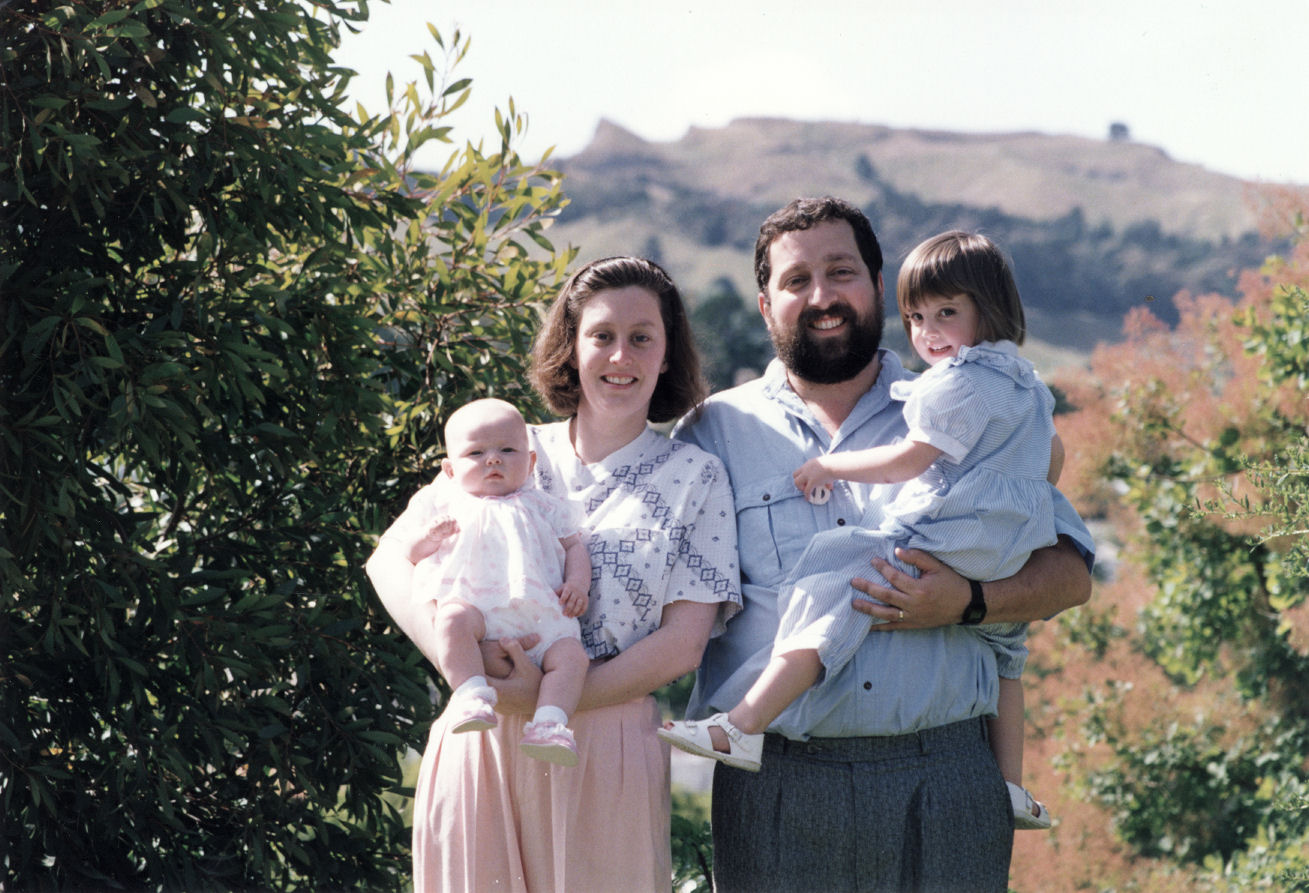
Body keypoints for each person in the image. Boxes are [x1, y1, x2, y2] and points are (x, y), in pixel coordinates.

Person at [672, 197, 1095, 893]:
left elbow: (1068, 574)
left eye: (840, 271)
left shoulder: (963, 401)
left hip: (947, 779)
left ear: (876, 285)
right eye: (795, 279)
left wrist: (967, 600)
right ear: (763, 304)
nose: (821, 295)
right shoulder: (711, 432)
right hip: (776, 781)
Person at [366, 256, 742, 893]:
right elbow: (387, 562)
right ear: (571, 347)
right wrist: (472, 675)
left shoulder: (696, 477)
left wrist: (545, 701)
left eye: (641, 337)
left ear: (668, 353)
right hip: (479, 740)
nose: (620, 355)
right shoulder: (503, 445)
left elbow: (683, 643)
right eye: (601, 335)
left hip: (607, 744)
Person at [398, 397, 592, 766]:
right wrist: (430, 538)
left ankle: (550, 723)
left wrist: (578, 584)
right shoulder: (447, 506)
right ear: (450, 471)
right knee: (451, 621)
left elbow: (575, 545)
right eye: (476, 453)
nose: (493, 459)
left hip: (544, 616)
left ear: (531, 461)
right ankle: (471, 693)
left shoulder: (544, 504)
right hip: (480, 615)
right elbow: (410, 553)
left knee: (572, 658)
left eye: (507, 449)